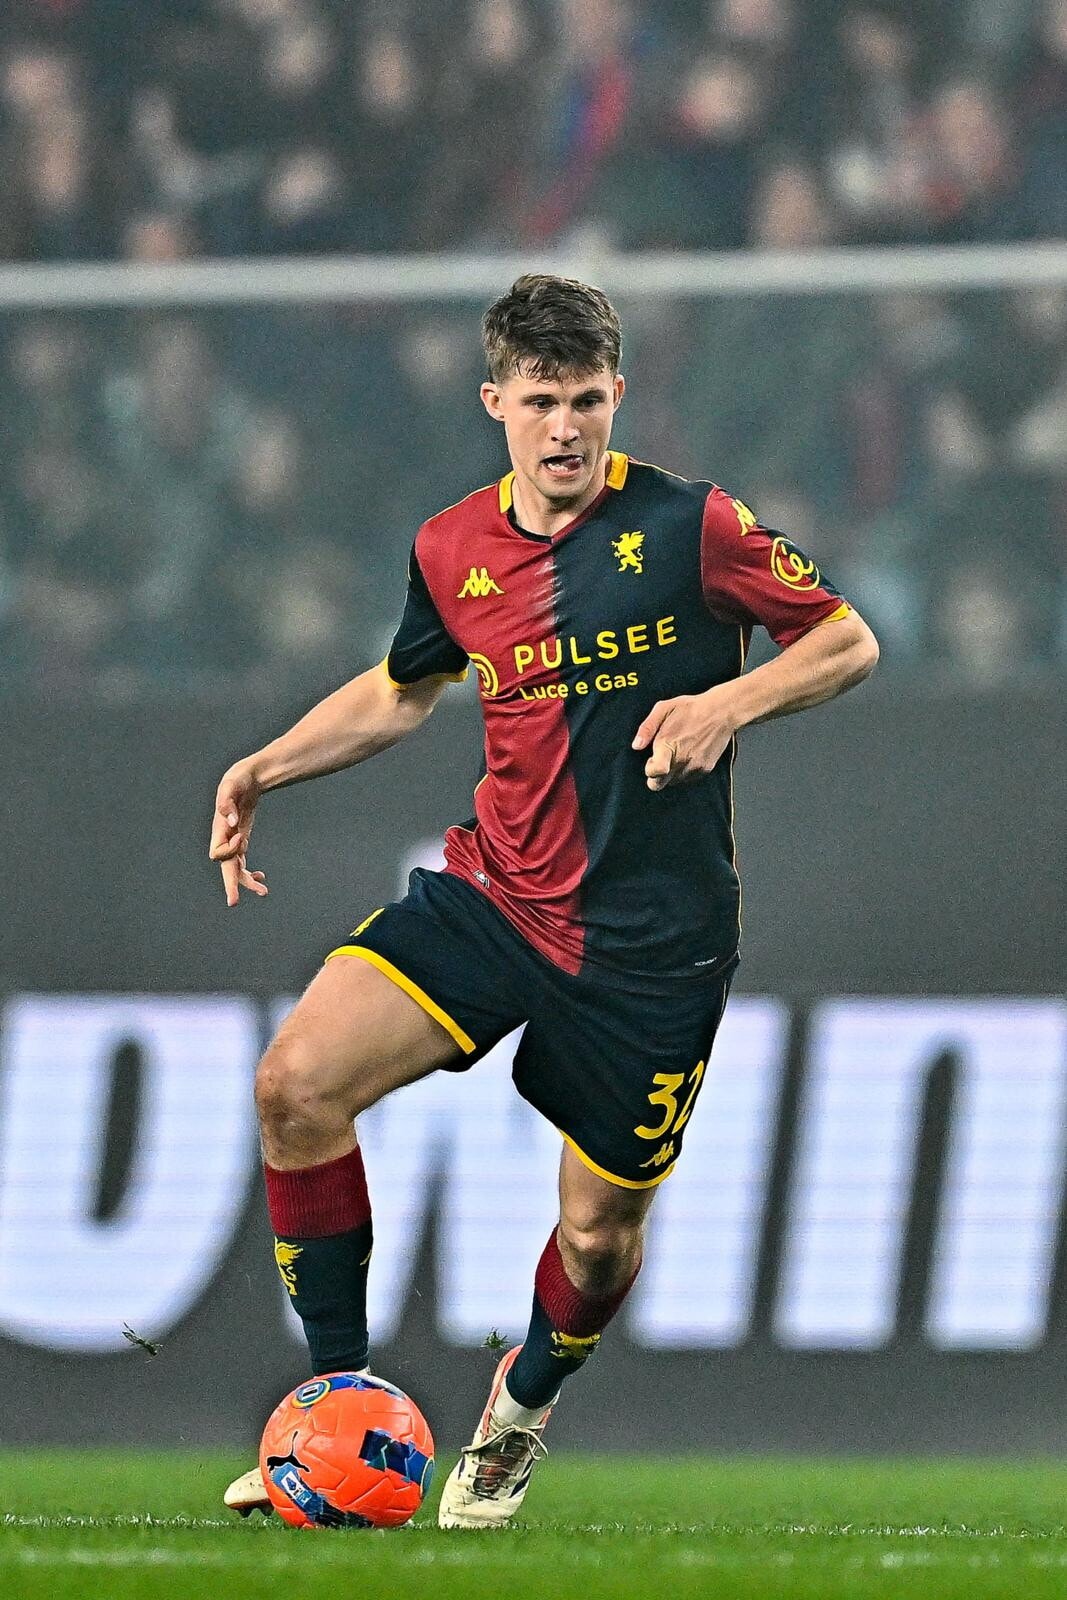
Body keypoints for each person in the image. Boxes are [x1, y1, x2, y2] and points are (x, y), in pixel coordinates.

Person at [211, 274, 878, 1529]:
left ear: (616, 394)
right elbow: (402, 688)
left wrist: (725, 704)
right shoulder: (450, 546)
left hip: (653, 948)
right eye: (538, 402)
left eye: (584, 401)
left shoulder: (692, 526)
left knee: (594, 1240)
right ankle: (331, 1412)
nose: (563, 428)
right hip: (496, 895)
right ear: (494, 403)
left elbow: (845, 638)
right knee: (293, 1085)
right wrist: (265, 765)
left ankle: (518, 1409)